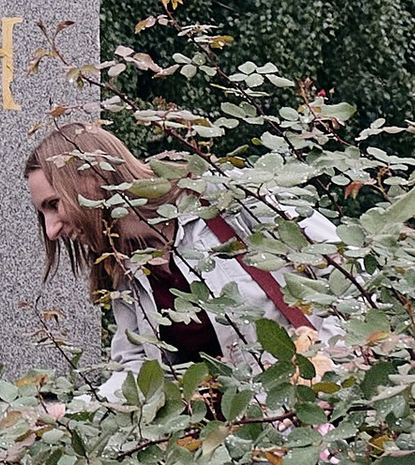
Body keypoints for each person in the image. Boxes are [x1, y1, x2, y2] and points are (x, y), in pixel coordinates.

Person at [22, 117, 322, 392]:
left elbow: (344, 266)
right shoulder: (124, 266)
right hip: (231, 436)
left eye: (53, 204)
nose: (51, 231)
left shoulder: (227, 196)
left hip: (308, 411)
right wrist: (68, 419)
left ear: (88, 180)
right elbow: (138, 374)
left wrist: (331, 364)